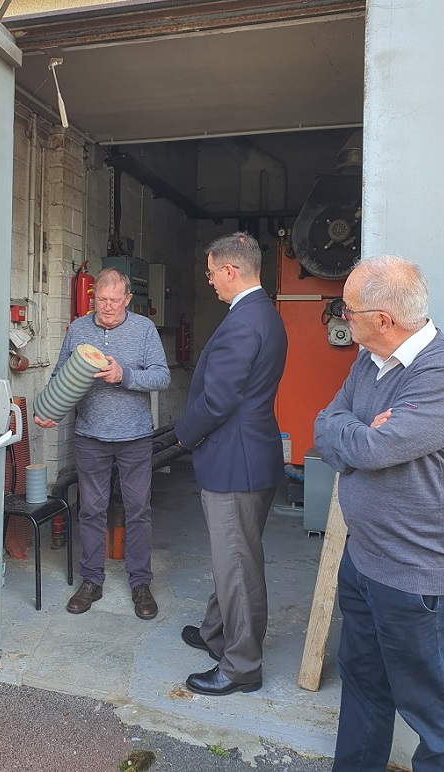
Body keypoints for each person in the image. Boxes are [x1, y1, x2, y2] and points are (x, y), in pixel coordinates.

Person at [314, 255, 444, 771]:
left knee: (433, 715)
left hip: (416, 577)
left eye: (347, 311)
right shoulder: (368, 361)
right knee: (363, 689)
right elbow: (325, 425)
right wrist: (360, 434)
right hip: (364, 561)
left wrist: (360, 439)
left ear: (383, 319)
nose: (341, 319)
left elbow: (375, 451)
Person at [174, 232, 287, 696]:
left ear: (230, 271)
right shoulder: (266, 314)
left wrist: (183, 434)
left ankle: (242, 666)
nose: (210, 282)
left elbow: (219, 400)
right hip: (251, 452)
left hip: (235, 460)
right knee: (232, 555)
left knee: (237, 564)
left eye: (210, 273)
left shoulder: (243, 321)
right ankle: (214, 633)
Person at [35, 267, 170, 619]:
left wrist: (123, 375)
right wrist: (50, 410)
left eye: (115, 300)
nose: (107, 307)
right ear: (93, 297)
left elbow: (162, 376)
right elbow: (60, 375)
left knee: (138, 510)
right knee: (90, 510)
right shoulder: (79, 328)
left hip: (135, 437)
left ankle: (140, 583)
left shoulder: (144, 330)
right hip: (90, 436)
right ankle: (91, 581)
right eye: (101, 300)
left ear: (128, 299)